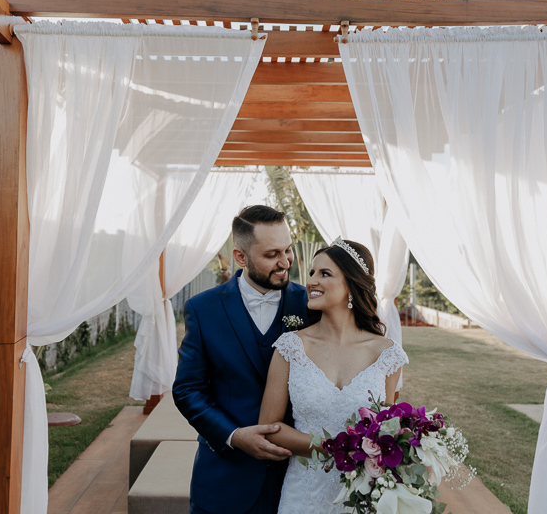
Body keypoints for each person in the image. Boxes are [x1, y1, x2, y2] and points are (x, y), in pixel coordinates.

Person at [173, 205, 310, 514]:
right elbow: (187, 390)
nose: (285, 262)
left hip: (296, 479)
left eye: (288, 250)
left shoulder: (310, 305)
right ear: (240, 257)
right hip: (224, 478)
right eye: (272, 254)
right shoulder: (202, 309)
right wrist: (234, 436)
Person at [259, 238, 408, 514]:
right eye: (312, 273)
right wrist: (333, 447)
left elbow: (385, 429)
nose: (312, 281)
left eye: (325, 273)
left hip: (362, 496)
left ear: (351, 285)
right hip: (303, 495)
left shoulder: (387, 355)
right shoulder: (290, 347)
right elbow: (269, 428)